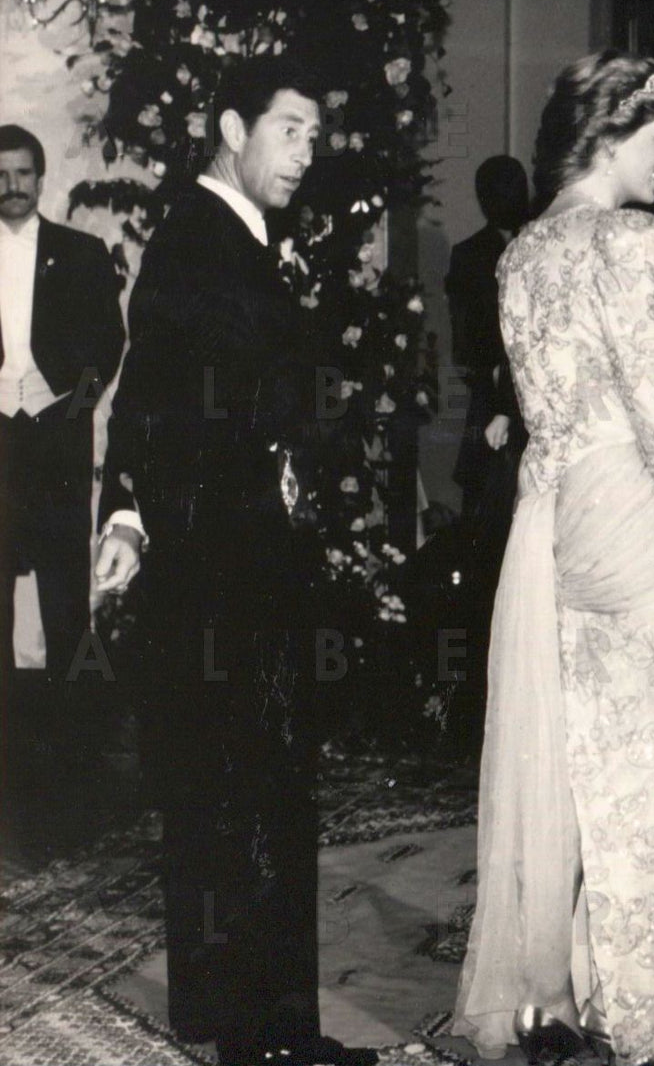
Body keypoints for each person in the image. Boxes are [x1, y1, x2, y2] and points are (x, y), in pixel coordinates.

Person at [92, 57, 375, 1066]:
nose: (309, 151)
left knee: (234, 798)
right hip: (231, 572)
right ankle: (265, 1039)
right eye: (291, 128)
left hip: (228, 568)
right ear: (230, 125)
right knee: (252, 798)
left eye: (314, 132)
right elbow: (197, 414)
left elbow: (151, 405)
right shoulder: (206, 248)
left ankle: (240, 1021)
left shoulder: (223, 240)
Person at [452, 51, 654, 1065]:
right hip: (632, 511)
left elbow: (536, 411)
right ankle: (643, 1002)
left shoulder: (519, 253)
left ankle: (554, 993)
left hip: (552, 518)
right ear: (611, 134)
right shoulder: (633, 240)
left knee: (575, 756)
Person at [0, 123, 125, 782]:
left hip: (55, 442)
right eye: (1, 174)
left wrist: (71, 406)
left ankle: (73, 748)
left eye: (23, 173)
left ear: (40, 179)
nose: (11, 186)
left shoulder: (79, 253)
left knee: (63, 595)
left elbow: (110, 338)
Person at [447, 154, 528, 529]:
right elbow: (463, 345)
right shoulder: (468, 257)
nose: (506, 199)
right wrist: (498, 395)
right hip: (491, 401)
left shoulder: (542, 241)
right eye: (496, 192)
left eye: (514, 188)